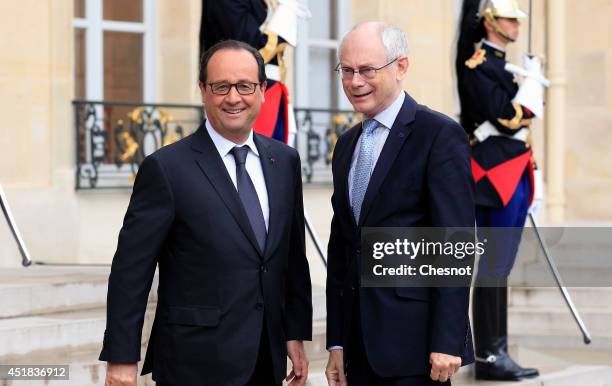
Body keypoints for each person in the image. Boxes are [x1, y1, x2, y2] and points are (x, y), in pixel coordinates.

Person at [99, 40, 312, 386]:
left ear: (261, 91)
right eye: (221, 86)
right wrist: (122, 358)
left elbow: (291, 258)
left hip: (265, 358)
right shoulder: (166, 169)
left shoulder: (284, 161)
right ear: (202, 90)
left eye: (245, 86)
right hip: (193, 363)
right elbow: (130, 272)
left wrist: (295, 332)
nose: (233, 98)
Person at [325, 22, 475, 386]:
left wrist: (447, 340)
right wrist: (337, 341)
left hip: (417, 349)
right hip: (358, 349)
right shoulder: (346, 145)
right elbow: (343, 247)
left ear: (401, 67)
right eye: (347, 70)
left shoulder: (438, 135)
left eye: (367, 70)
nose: (355, 81)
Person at [456, 0, 544, 381]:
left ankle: (498, 350)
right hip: (493, 175)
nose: (516, 25)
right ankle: (490, 355)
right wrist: (529, 94)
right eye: (509, 18)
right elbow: (506, 119)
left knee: (500, 266)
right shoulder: (479, 64)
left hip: (514, 170)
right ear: (490, 21)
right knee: (493, 266)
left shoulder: (508, 67)